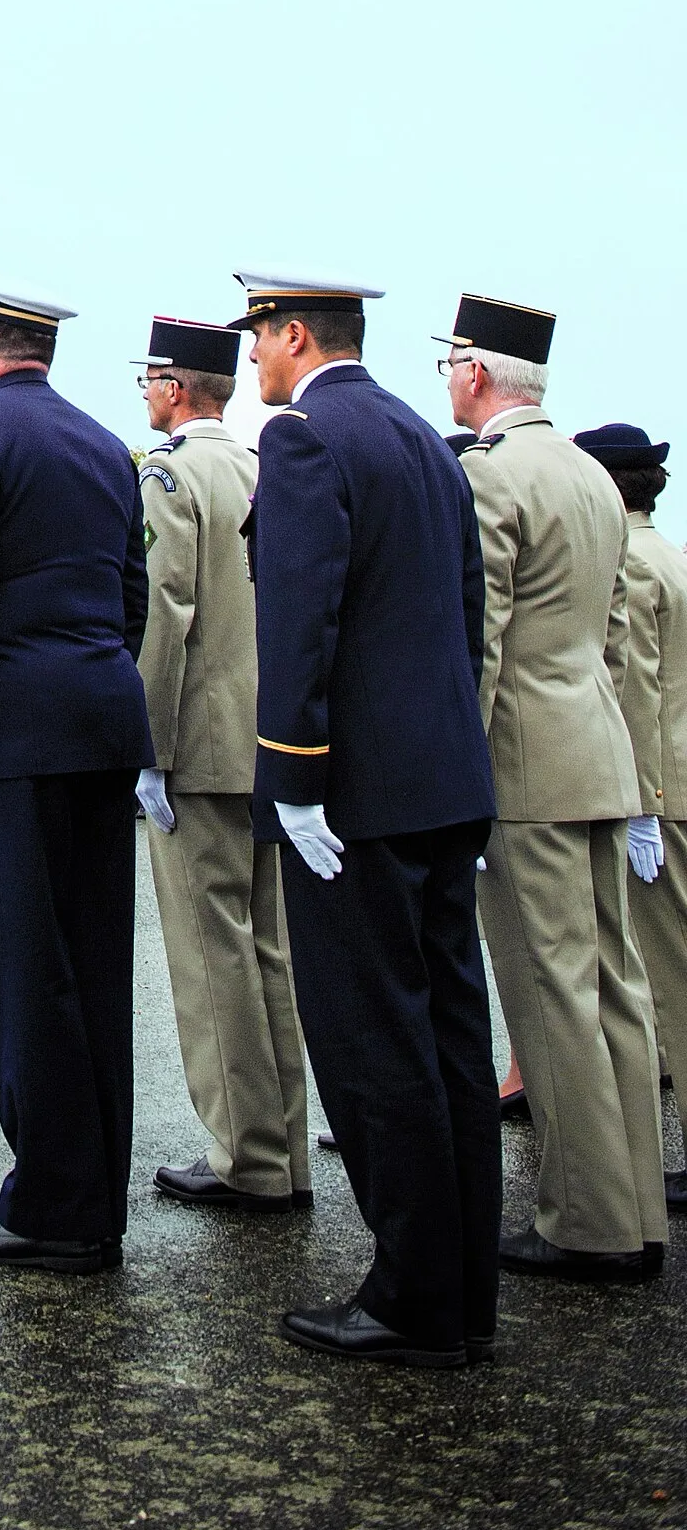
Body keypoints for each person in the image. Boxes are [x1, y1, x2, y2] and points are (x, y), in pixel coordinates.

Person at [235, 270, 500, 1372]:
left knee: (369, 1043)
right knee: (447, 1039)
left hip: (352, 796)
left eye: (258, 340)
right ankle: (459, 1288)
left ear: (295, 336)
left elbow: (300, 619)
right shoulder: (420, 439)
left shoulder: (305, 439)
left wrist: (290, 777)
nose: (252, 362)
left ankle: (406, 1297)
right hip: (440, 781)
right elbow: (463, 615)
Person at [0, 285, 150, 1277]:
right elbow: (128, 595)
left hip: (11, 730)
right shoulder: (102, 443)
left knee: (15, 966)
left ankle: (53, 1206)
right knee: (93, 965)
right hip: (98, 719)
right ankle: (91, 1200)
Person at [443, 299, 666, 1280]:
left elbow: (480, 643)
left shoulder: (491, 473)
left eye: (450, 363)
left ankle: (587, 1223)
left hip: (526, 765)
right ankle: (638, 1210)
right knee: (614, 984)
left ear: (475, 374)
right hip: (596, 754)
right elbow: (611, 638)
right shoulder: (584, 472)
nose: (447, 378)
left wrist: (465, 775)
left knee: (548, 991)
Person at [132, 315, 309, 1213]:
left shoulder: (169, 472)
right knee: (266, 947)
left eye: (147, 383)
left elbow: (168, 616)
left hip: (196, 745)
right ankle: (284, 1146)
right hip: (264, 741)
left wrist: (147, 748)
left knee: (210, 957)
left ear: (171, 388)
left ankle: (247, 1155)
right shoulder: (257, 464)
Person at [573, 424, 687, 1216]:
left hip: (661, 793)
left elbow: (635, 693)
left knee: (671, 982)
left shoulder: (634, 565)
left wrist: (641, 807)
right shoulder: (670, 553)